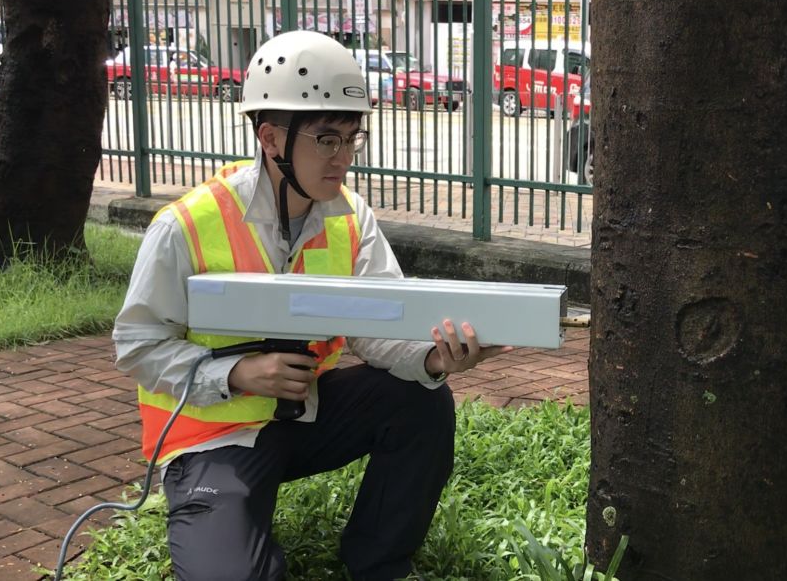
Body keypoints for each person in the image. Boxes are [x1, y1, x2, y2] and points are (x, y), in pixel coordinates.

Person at [112, 30, 510, 581]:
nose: (344, 159)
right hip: (213, 439)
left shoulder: (351, 217)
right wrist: (238, 373)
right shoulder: (184, 226)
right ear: (271, 138)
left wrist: (435, 359)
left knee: (421, 401)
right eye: (327, 140)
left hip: (305, 416)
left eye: (352, 139)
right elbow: (137, 346)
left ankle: (378, 562)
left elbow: (378, 325)